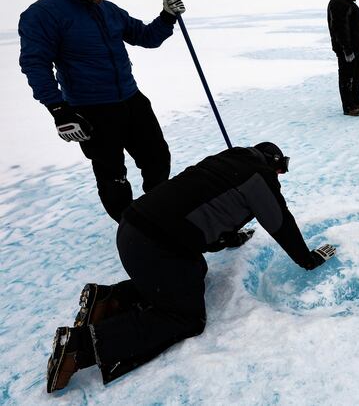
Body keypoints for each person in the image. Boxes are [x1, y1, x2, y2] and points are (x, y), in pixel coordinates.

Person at [45, 142, 337, 392]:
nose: (279, 178)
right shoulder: (260, 177)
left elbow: (203, 205)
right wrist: (307, 259)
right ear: (274, 165)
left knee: (194, 272)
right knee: (186, 318)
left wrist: (230, 236)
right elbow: (279, 222)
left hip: (135, 229)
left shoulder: (227, 161)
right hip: (154, 246)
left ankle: (109, 300)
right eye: (280, 172)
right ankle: (81, 346)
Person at [18, 0, 185, 222]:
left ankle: (159, 215)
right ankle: (133, 229)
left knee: (157, 159)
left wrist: (167, 17)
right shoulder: (43, 14)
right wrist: (59, 110)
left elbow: (146, 37)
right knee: (112, 175)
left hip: (131, 100)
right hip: (92, 109)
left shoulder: (108, 10)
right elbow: (35, 64)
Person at [327, 0, 359, 117]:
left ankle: (356, 101)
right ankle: (349, 106)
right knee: (347, 77)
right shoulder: (338, 3)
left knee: (357, 73)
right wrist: (347, 50)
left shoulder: (346, 1)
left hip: (353, 47)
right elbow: (339, 29)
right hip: (346, 49)